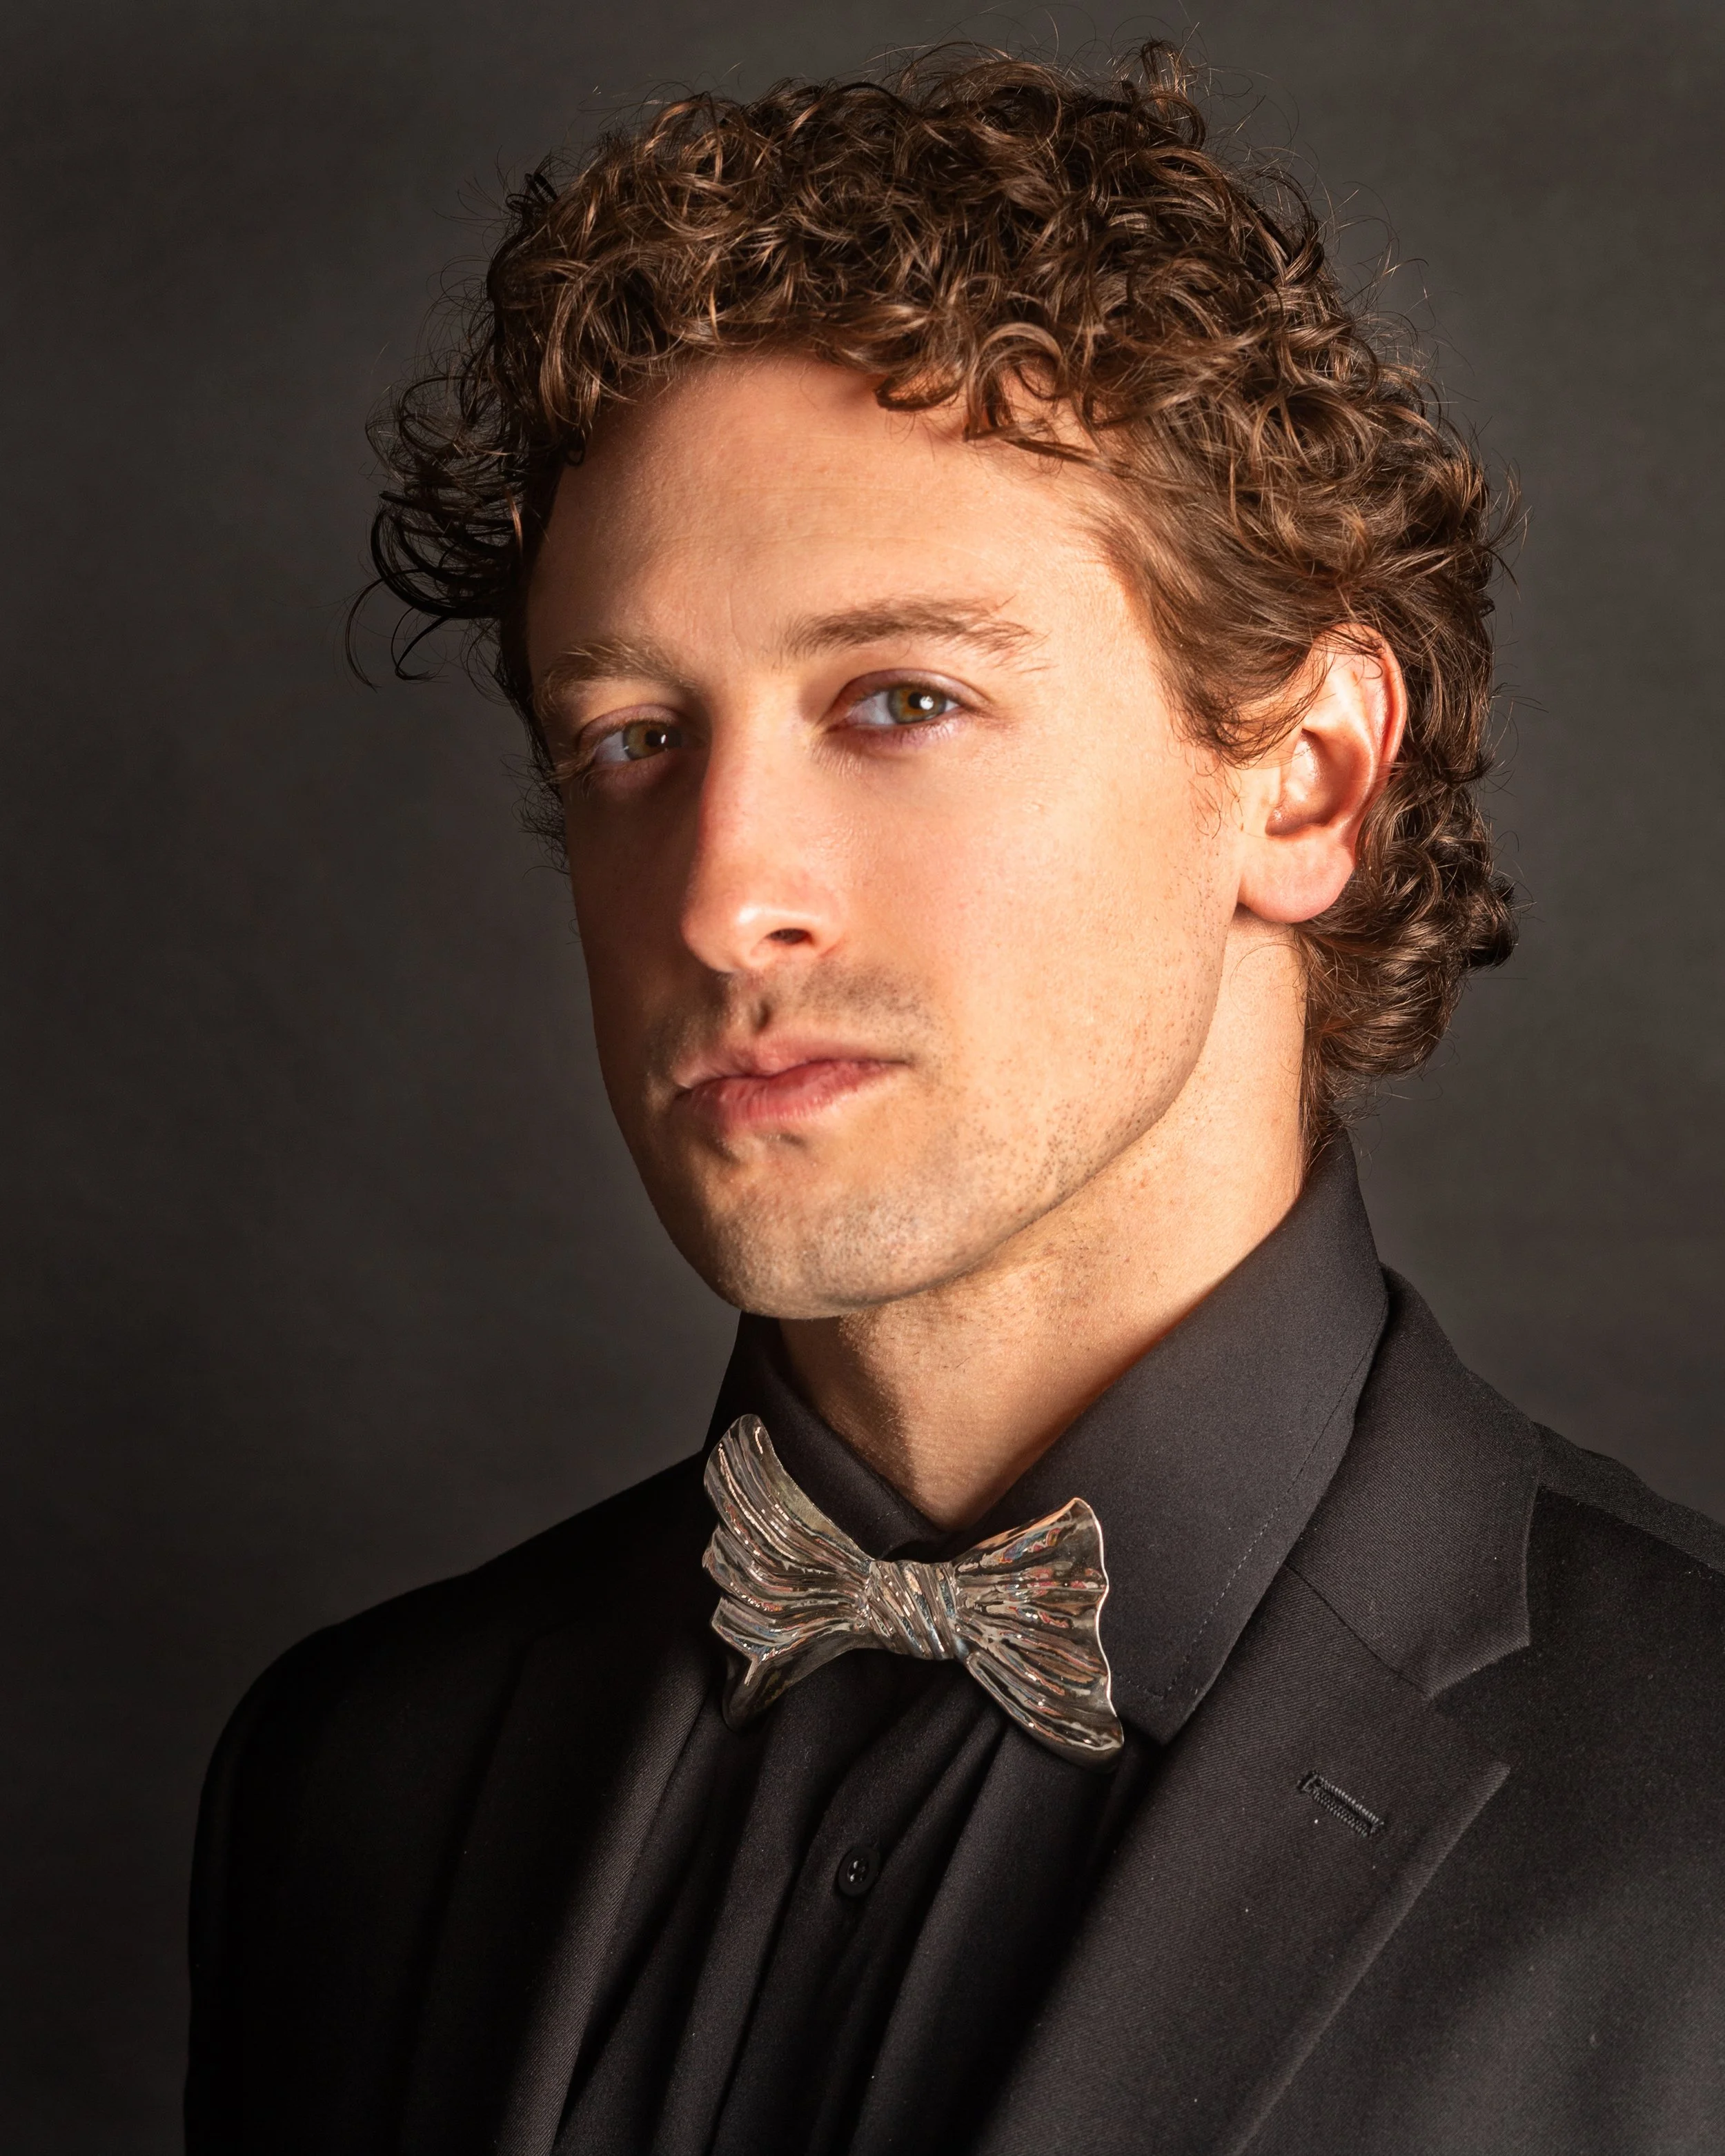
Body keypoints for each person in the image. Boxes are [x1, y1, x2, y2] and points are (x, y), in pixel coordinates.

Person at [185, 46, 1725, 2156]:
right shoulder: (351, 1781)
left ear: (1306, 778)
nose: (724, 894)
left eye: (899, 700)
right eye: (631, 735)